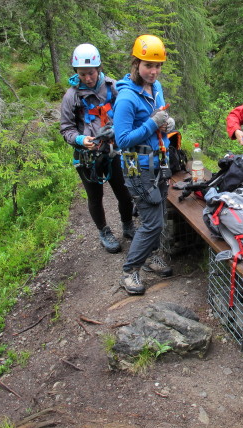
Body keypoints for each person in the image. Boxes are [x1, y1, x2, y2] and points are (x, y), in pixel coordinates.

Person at [113, 34, 175, 295]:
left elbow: (158, 121)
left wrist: (166, 124)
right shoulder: (127, 99)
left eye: (157, 65)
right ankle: (130, 270)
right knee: (152, 223)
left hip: (158, 162)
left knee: (157, 217)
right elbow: (123, 139)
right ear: (136, 64)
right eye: (148, 65)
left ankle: (149, 257)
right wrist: (152, 123)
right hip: (139, 167)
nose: (153, 71)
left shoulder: (156, 87)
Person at [60, 43, 135, 254]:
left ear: (98, 68)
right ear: (76, 72)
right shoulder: (71, 96)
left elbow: (125, 114)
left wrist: (117, 130)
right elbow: (66, 129)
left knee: (124, 191)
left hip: (112, 150)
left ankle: (128, 224)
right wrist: (81, 139)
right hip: (86, 156)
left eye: (91, 73)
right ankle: (104, 231)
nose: (88, 78)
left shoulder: (112, 88)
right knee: (95, 196)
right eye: (82, 74)